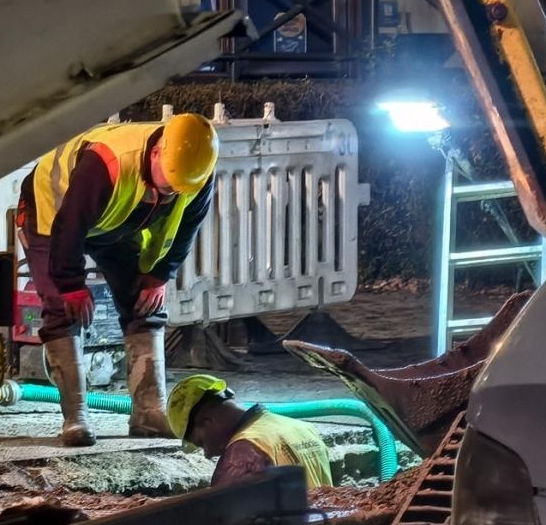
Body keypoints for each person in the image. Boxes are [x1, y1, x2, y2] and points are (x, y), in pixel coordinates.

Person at [19, 114, 218, 446]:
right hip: (52, 214)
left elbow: (186, 228)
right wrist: (71, 285)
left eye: (177, 189)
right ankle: (76, 418)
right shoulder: (105, 163)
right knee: (61, 309)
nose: (170, 193)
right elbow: (69, 225)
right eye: (167, 183)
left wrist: (159, 275)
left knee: (145, 303)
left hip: (114, 217)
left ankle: (149, 413)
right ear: (156, 153)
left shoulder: (196, 173)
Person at [167, 375, 333, 489]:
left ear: (207, 420)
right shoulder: (303, 428)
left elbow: (225, 524)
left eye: (201, 443)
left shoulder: (242, 452)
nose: (208, 454)